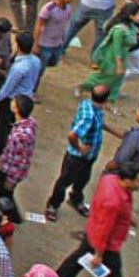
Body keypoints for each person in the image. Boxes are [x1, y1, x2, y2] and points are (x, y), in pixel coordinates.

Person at [54, 162, 139, 277]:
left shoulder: (109, 180)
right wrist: (99, 254)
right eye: (138, 182)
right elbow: (104, 228)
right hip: (105, 244)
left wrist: (125, 216)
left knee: (74, 264)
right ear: (127, 180)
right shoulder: (113, 202)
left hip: (93, 232)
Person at [46, 84, 107, 222]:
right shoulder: (89, 117)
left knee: (83, 179)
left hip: (90, 156)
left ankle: (75, 199)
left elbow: (99, 124)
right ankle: (53, 205)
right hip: (77, 157)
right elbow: (72, 135)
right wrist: (79, 148)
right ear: (105, 100)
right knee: (64, 181)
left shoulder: (88, 105)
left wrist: (114, 131)